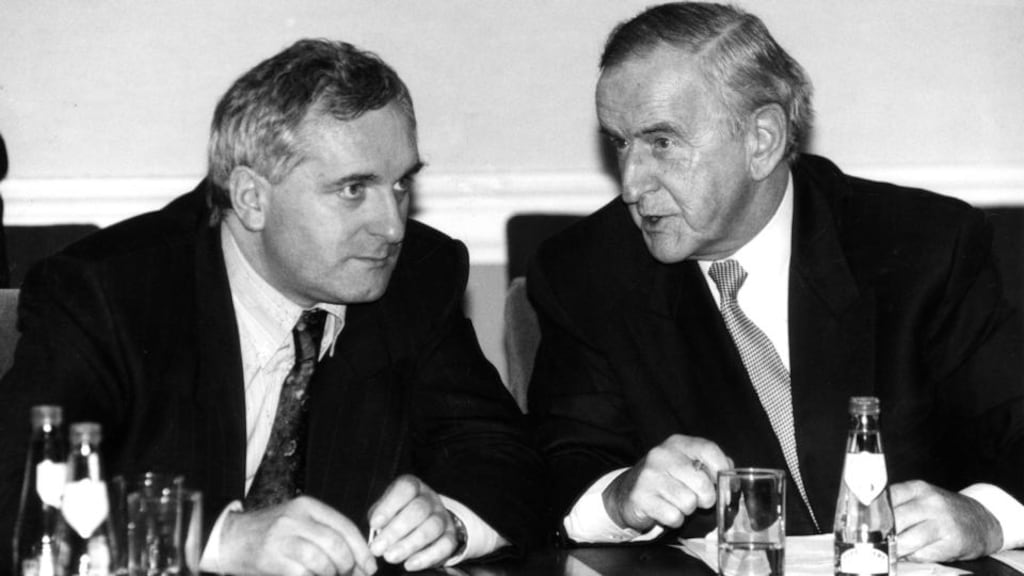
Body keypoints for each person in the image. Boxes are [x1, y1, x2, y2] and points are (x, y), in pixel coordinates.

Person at [0, 39, 544, 575]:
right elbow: (17, 493)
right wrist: (215, 541)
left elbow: (506, 457)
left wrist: (449, 521)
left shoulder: (418, 275)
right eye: (354, 189)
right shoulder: (108, 292)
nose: (393, 226)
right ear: (251, 199)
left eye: (401, 184)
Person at [528, 1, 1024, 563]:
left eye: (661, 142)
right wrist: (619, 496)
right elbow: (557, 467)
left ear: (761, 139)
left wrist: (986, 518)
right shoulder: (586, 272)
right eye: (620, 143)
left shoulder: (923, 248)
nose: (631, 184)